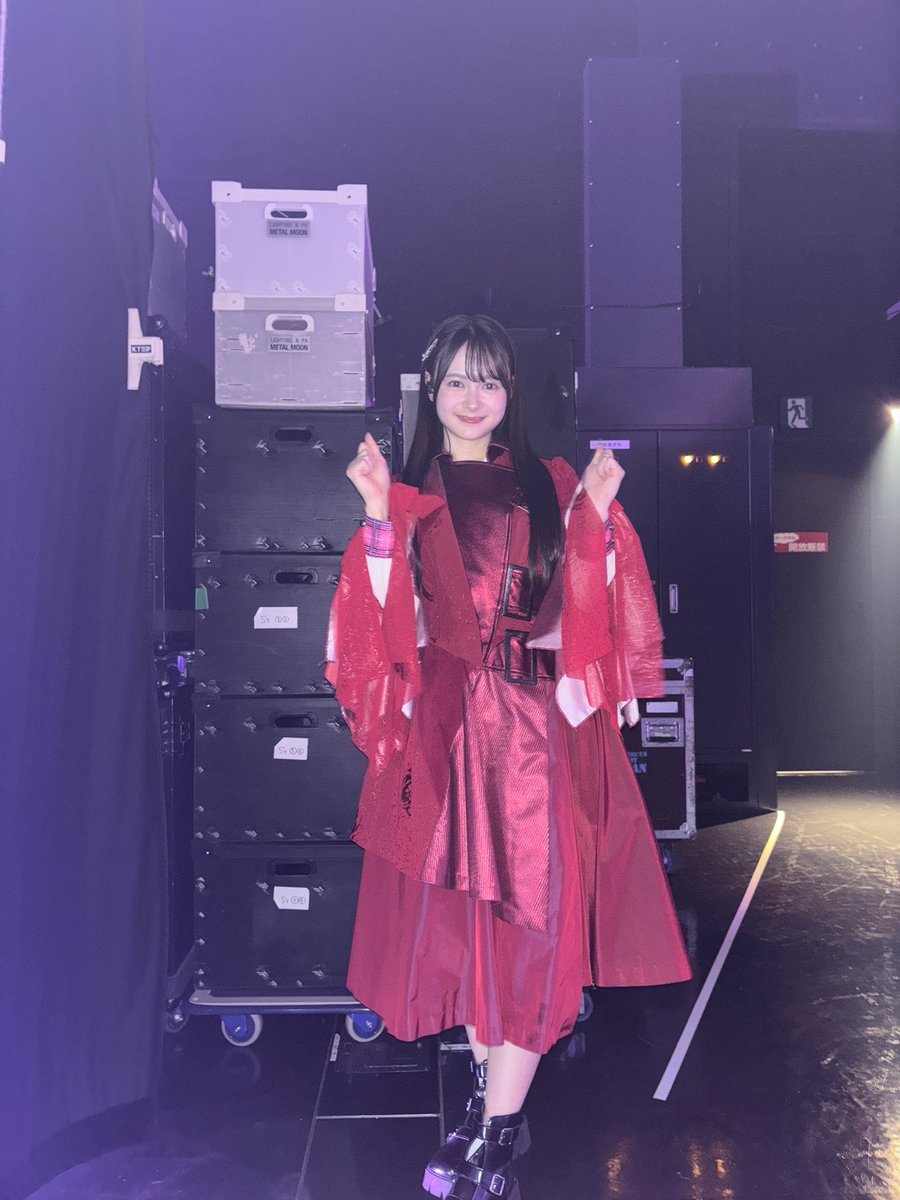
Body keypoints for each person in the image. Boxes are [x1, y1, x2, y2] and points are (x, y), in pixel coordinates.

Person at [325, 314, 691, 1200]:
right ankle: (493, 1109)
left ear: (510, 392)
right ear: (431, 391)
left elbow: (586, 607)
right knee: (466, 930)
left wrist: (595, 518)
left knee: (531, 927)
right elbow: (385, 621)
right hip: (449, 738)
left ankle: (493, 1132)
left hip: (531, 737)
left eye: (488, 379)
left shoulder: (549, 483)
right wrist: (375, 514)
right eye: (456, 380)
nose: (473, 397)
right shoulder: (409, 496)